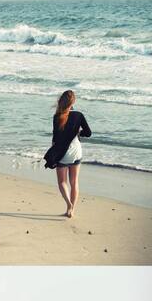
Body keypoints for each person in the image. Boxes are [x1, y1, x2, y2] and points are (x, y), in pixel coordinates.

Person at [44, 90, 92, 218]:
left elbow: (55, 138)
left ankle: (69, 204)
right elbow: (88, 133)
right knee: (74, 181)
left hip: (63, 153)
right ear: (73, 102)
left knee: (62, 182)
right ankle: (71, 210)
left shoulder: (57, 117)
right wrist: (78, 133)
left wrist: (52, 152)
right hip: (76, 152)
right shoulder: (79, 115)